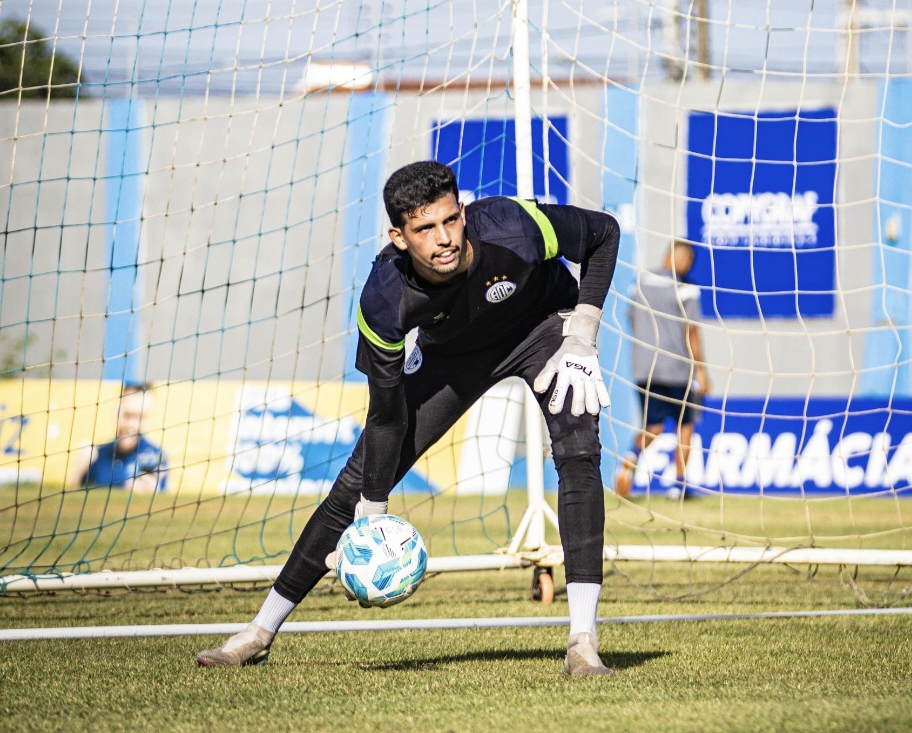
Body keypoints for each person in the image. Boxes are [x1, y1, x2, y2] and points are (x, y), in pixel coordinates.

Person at [198, 160, 620, 677]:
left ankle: (583, 644)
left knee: (578, 450)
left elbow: (604, 233)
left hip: (544, 330)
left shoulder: (513, 226)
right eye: (424, 229)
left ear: (463, 212)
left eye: (450, 220)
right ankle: (258, 633)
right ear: (399, 237)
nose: (443, 239)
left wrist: (583, 332)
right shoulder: (384, 300)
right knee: (353, 486)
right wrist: (372, 510)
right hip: (452, 359)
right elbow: (385, 416)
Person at [616, 241, 710, 500]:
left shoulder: (640, 282)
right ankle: (678, 486)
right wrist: (701, 371)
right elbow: (691, 330)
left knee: (653, 426)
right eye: (687, 260)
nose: (687, 265)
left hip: (645, 368)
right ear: (679, 259)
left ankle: (630, 461)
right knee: (685, 426)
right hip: (678, 368)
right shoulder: (686, 289)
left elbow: (632, 319)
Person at [71, 382, 168, 493]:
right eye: (127, 415)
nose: (132, 424)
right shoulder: (96, 455)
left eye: (140, 417)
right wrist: (78, 472)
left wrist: (152, 491)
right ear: (117, 412)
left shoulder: (156, 457)